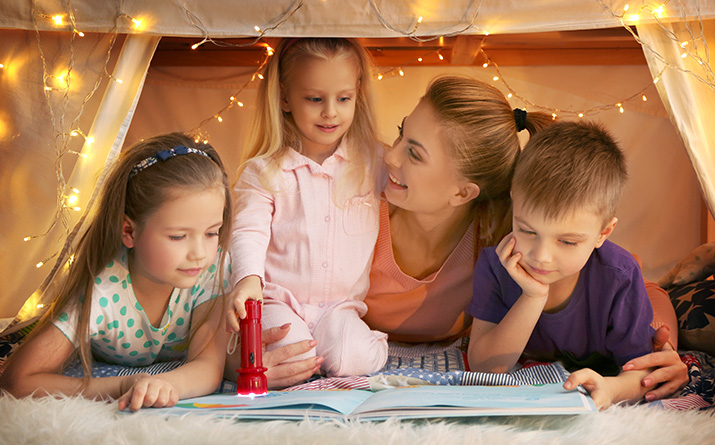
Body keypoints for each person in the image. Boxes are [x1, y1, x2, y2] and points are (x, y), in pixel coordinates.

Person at [363, 75, 687, 401]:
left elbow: (638, 290)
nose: (390, 157)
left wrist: (664, 343)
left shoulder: (499, 227)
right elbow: (486, 365)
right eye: (400, 132)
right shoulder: (357, 211)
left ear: (464, 192)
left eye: (415, 154)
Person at [0, 133, 232, 411]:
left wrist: (165, 385)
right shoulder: (104, 288)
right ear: (129, 231)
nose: (200, 253)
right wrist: (122, 385)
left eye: (211, 233)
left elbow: (208, 366)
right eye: (178, 236)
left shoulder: (211, 269)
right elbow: (17, 381)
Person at [467, 120, 666, 409]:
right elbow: (485, 368)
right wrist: (533, 296)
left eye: (568, 242)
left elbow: (643, 369)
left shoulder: (618, 277)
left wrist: (612, 388)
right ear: (514, 202)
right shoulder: (496, 265)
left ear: (603, 233)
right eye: (527, 231)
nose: (541, 256)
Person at [225, 38, 388, 378]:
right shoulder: (263, 171)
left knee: (353, 361)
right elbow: (248, 231)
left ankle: (359, 345)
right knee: (287, 361)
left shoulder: (375, 162)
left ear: (358, 92)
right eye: (315, 99)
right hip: (279, 302)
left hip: (340, 309)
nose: (330, 112)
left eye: (344, 99)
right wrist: (248, 279)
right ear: (284, 97)